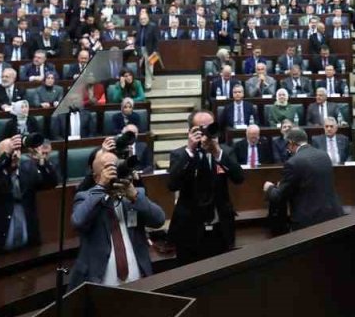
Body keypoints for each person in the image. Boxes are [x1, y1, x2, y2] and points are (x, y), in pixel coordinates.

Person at [68, 147, 167, 288]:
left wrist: (135, 197)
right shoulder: (85, 197)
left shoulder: (134, 196)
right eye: (108, 168)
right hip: (100, 283)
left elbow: (159, 220)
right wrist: (101, 187)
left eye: (116, 166)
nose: (114, 172)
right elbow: (78, 221)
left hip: (138, 280)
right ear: (96, 176)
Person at [167, 110, 244, 265]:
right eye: (201, 128)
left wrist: (217, 153)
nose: (207, 132)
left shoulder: (225, 152)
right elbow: (172, 184)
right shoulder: (180, 154)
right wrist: (190, 151)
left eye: (210, 127)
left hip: (219, 228)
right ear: (190, 132)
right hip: (189, 229)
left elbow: (239, 178)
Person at [0, 135, 58, 261]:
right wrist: (6, 156)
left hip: (28, 245)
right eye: (10, 152)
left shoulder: (28, 171)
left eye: (16, 151)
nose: (14, 155)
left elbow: (51, 183)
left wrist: (41, 161)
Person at [264, 127, 344, 232]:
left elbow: (279, 196)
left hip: (309, 221)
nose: (288, 149)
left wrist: (269, 188)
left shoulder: (293, 162)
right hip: (332, 215)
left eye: (287, 145)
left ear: (291, 143)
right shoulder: (324, 155)